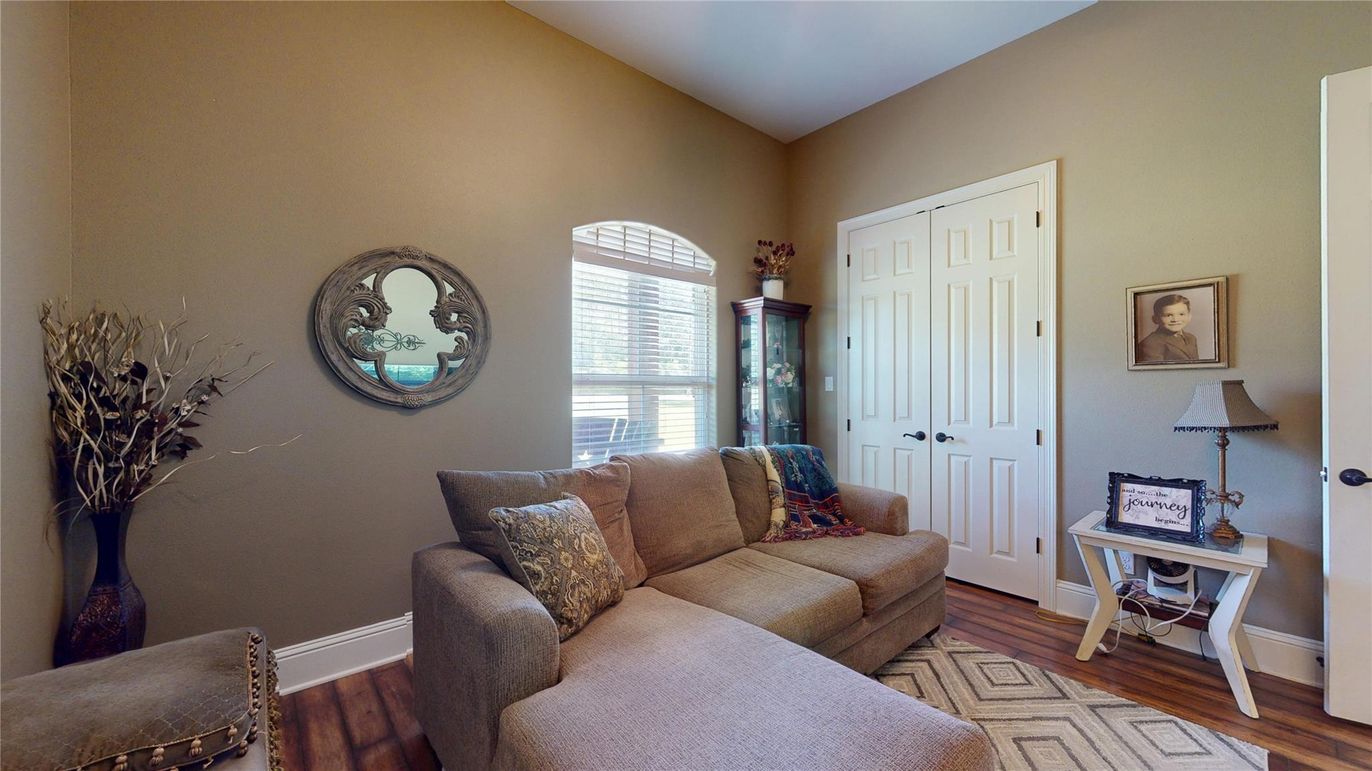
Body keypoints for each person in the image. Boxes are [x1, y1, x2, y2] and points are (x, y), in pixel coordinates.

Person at [1136, 293, 1199, 362]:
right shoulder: (1150, 344)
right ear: (1155, 319)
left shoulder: (1191, 338)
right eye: (1168, 315)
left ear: (1189, 316)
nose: (1175, 319)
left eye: (1181, 314)